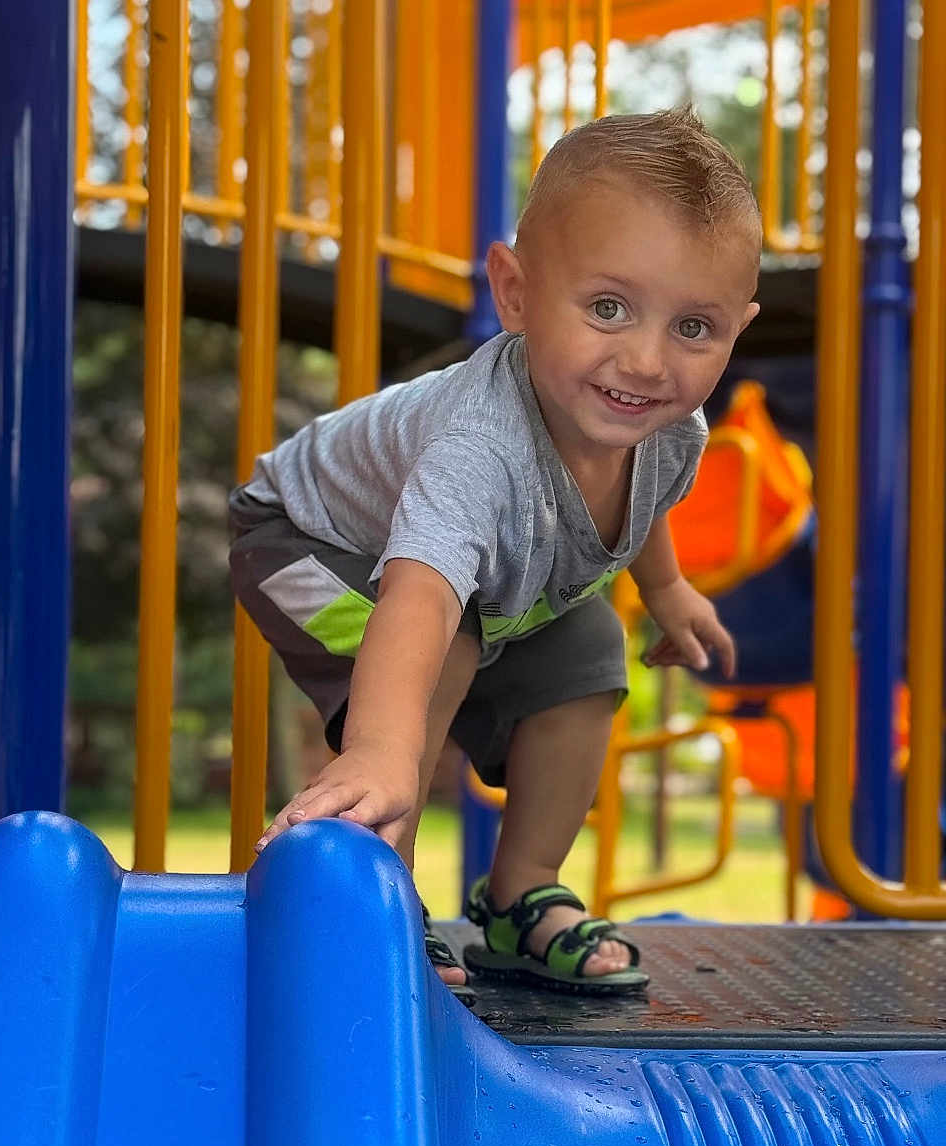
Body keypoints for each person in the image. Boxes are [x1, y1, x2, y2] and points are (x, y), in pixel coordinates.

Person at [229, 106, 758, 1001]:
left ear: (738, 327)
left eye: (694, 327)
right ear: (514, 293)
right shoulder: (480, 445)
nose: (646, 360)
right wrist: (383, 751)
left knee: (591, 645)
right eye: (608, 308)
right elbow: (424, 595)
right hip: (300, 540)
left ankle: (520, 897)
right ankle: (382, 895)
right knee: (447, 647)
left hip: (469, 588)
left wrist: (667, 590)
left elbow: (643, 501)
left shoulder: (673, 431)